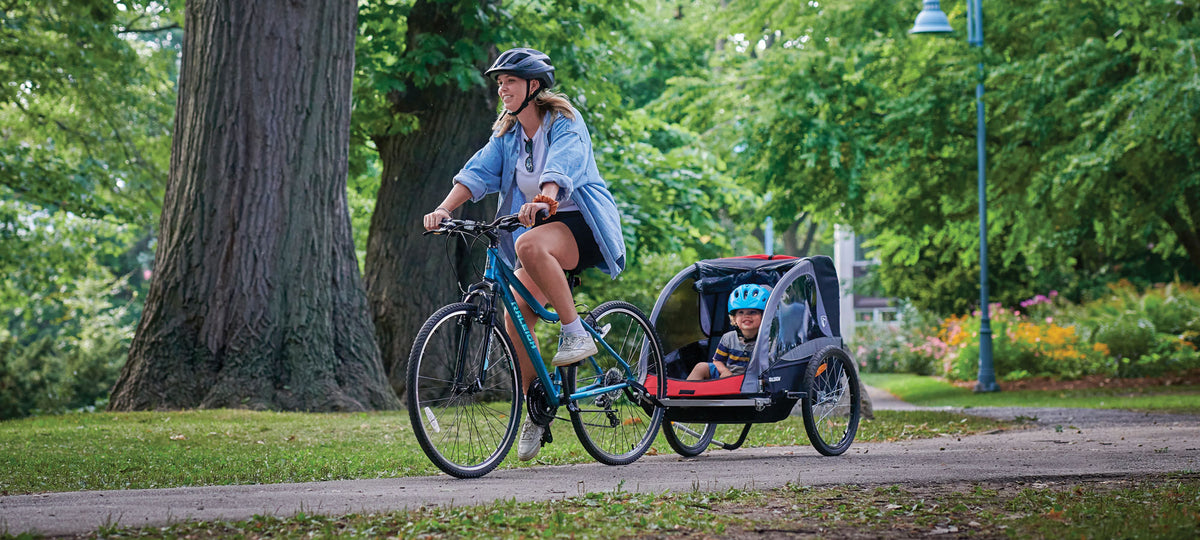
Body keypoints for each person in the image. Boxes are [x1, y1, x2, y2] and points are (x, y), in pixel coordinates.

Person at [421, 47, 626, 462]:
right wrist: (444, 209)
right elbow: (477, 172)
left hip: (580, 225)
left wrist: (546, 197)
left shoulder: (565, 123)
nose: (502, 88)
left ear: (534, 86)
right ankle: (538, 407)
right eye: (499, 82)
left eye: (510, 81)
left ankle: (576, 332)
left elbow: (565, 164)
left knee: (527, 243)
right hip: (538, 233)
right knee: (516, 317)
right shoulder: (509, 135)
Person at [687, 284, 771, 381]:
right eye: (741, 312)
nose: (746, 316)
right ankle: (686, 394)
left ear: (764, 316)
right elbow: (717, 361)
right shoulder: (728, 338)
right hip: (729, 377)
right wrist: (724, 371)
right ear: (734, 318)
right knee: (701, 367)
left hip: (752, 381)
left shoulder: (767, 340)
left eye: (752, 312)